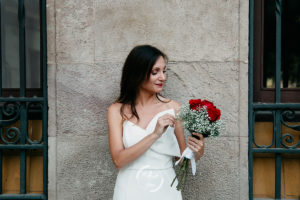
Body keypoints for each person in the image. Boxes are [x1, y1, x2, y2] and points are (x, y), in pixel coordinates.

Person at [107, 45, 205, 200]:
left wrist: (196, 153)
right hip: (129, 189)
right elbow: (118, 161)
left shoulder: (174, 108)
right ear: (137, 73)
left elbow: (181, 161)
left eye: (164, 71)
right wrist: (155, 134)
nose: (163, 77)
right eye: (155, 72)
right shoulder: (116, 110)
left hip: (165, 189)